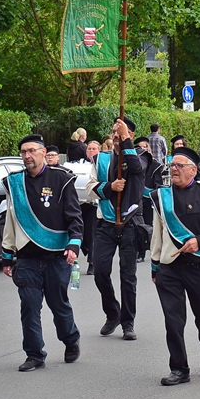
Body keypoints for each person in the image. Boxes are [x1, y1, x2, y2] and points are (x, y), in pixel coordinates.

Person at [150, 147, 200, 386]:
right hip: (169, 267)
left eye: (179, 166)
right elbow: (158, 234)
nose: (173, 170)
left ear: (193, 170)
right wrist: (155, 266)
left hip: (198, 266)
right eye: (171, 166)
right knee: (173, 320)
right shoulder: (160, 196)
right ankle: (179, 368)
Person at [1, 134, 83, 372]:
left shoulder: (62, 179)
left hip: (57, 257)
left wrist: (74, 244)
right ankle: (35, 354)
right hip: (27, 259)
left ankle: (70, 339)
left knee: (59, 305)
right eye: (23, 152)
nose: (27, 156)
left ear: (42, 152)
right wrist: (7, 254)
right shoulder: (15, 182)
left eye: (31, 151)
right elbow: (11, 221)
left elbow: (74, 216)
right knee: (29, 306)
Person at [86, 117, 146, 340]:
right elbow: (90, 188)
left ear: (129, 135)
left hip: (129, 224)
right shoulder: (100, 159)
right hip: (105, 224)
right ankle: (113, 313)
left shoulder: (140, 156)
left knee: (128, 277)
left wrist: (127, 143)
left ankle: (128, 323)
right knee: (100, 272)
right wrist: (110, 187)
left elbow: (137, 170)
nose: (115, 135)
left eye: (119, 132)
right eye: (113, 131)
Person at [134, 136, 164, 264]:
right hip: (136, 198)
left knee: (150, 225)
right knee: (138, 227)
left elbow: (158, 183)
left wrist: (154, 197)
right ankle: (140, 253)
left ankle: (154, 251)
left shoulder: (155, 165)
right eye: (140, 147)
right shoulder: (134, 164)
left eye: (145, 147)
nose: (143, 149)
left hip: (149, 199)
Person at [81, 140, 102, 275]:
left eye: (94, 149)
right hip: (81, 203)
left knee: (91, 232)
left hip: (94, 204)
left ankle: (92, 263)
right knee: (82, 232)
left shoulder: (101, 164)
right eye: (89, 148)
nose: (91, 151)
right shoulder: (81, 165)